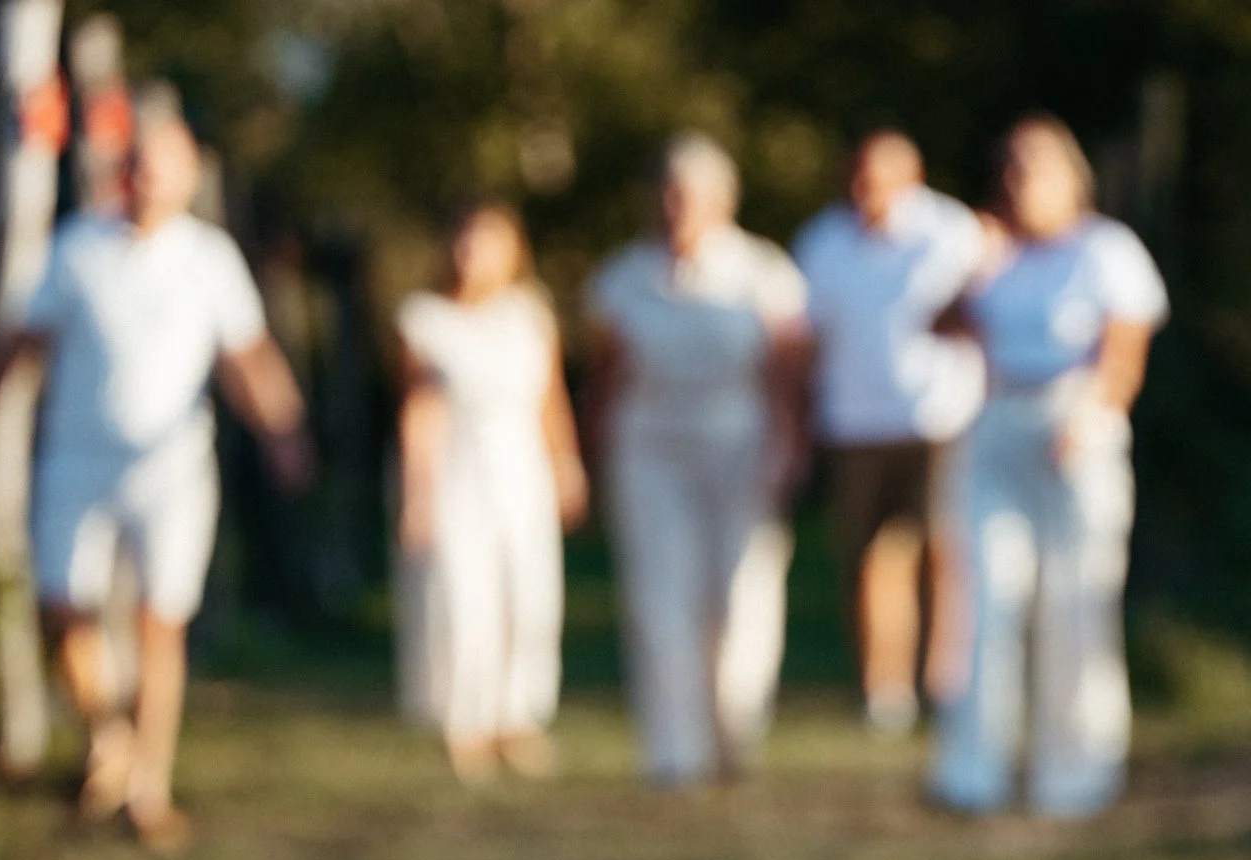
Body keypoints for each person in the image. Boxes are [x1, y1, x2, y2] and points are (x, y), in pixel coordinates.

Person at [0, 89, 312, 848]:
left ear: (191, 174)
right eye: (138, 163)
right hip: (75, 460)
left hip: (172, 469)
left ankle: (147, 786)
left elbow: (248, 355)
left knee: (162, 622)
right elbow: (15, 348)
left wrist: (282, 430)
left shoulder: (209, 258)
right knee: (63, 607)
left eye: (164, 165)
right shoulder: (74, 247)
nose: (148, 177)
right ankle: (108, 736)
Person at [929, 116, 1166, 819]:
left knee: (1074, 599)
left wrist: (1091, 416)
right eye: (1008, 167)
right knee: (987, 594)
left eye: (1033, 167)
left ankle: (1078, 774)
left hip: (1075, 425)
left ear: (1070, 176)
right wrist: (977, 263)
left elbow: (1125, 352)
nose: (1017, 181)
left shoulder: (1106, 250)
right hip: (998, 421)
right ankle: (974, 769)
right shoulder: (993, 254)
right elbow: (938, 323)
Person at [585, 134, 810, 786]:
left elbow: (787, 372)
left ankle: (734, 731)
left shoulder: (762, 272)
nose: (675, 206)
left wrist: (788, 445)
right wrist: (595, 458)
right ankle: (674, 750)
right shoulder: (623, 277)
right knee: (662, 597)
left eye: (689, 194)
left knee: (743, 593)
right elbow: (605, 378)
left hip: (739, 444)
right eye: (667, 193)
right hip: (650, 448)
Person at [792, 129, 986, 735]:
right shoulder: (822, 241)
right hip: (854, 422)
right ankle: (885, 689)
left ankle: (947, 679)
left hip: (937, 418)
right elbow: (807, 337)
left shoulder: (951, 233)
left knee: (941, 551)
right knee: (869, 558)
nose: (866, 186)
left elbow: (985, 303)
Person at [395, 202, 588, 781]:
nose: (471, 254)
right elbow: (418, 406)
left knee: (526, 596)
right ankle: (464, 721)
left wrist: (566, 463)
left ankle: (516, 715)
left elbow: (549, 397)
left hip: (519, 470)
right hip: (456, 472)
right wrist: (418, 490)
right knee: (462, 598)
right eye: (464, 241)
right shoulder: (424, 318)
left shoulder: (530, 315)